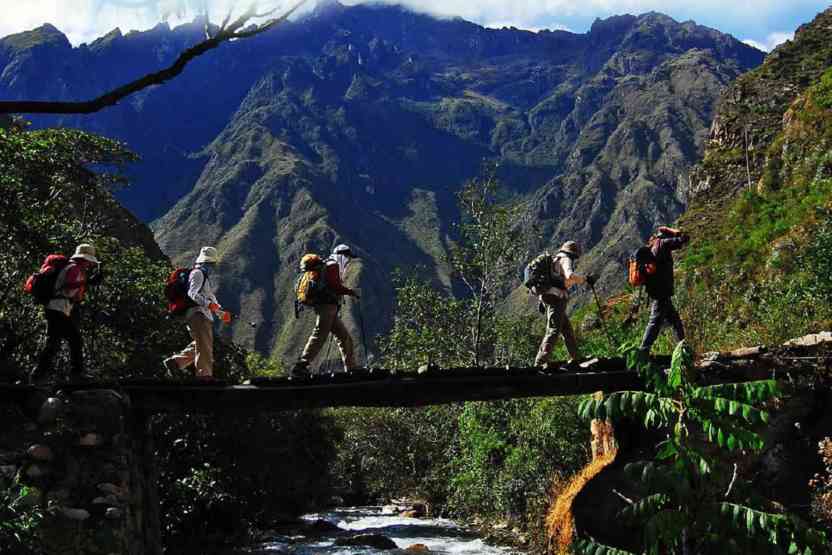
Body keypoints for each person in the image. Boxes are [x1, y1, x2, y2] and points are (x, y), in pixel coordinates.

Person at [31, 244, 102, 384]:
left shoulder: (72, 267)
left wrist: (85, 283)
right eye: (88, 261)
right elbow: (69, 284)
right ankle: (76, 374)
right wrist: (89, 282)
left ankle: (37, 375)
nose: (89, 264)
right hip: (58, 309)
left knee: (53, 343)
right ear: (84, 259)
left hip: (55, 308)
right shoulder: (74, 268)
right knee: (75, 340)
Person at [291, 244, 359, 378]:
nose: (348, 260)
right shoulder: (333, 265)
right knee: (320, 334)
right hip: (326, 306)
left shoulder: (327, 265)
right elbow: (334, 286)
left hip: (328, 307)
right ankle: (301, 366)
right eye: (347, 257)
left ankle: (352, 368)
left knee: (344, 337)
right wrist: (351, 292)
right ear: (343, 255)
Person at [163, 246, 229, 380]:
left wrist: (220, 312)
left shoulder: (202, 274)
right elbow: (193, 294)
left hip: (199, 314)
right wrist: (210, 305)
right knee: (204, 348)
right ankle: (204, 376)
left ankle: (176, 362)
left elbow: (209, 296)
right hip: (198, 314)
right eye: (211, 263)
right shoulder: (198, 273)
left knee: (201, 343)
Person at [534, 241, 598, 369]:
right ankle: (540, 362)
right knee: (553, 330)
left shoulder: (555, 259)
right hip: (557, 299)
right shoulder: (566, 259)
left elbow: (551, 281)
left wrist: (541, 300)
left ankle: (577, 358)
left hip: (549, 297)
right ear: (573, 253)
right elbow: (570, 275)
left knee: (567, 330)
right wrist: (585, 279)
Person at [639, 226, 690, 355]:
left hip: (658, 292)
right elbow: (684, 238)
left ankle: (683, 350)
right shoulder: (664, 243)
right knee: (654, 324)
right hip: (662, 293)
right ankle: (643, 352)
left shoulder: (652, 246)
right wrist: (671, 230)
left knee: (675, 322)